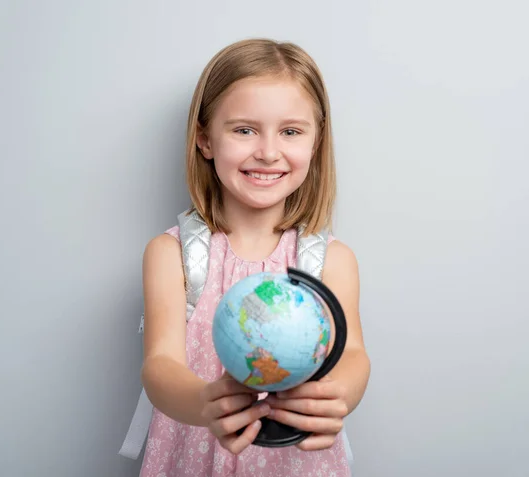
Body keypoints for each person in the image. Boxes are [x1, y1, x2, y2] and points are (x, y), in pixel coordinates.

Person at [132, 38, 370, 476]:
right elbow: (160, 364)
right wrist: (205, 404)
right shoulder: (171, 255)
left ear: (315, 144)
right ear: (205, 139)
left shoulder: (331, 260)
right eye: (244, 129)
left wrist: (337, 396)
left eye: (291, 131)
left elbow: (352, 354)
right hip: (194, 458)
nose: (268, 151)